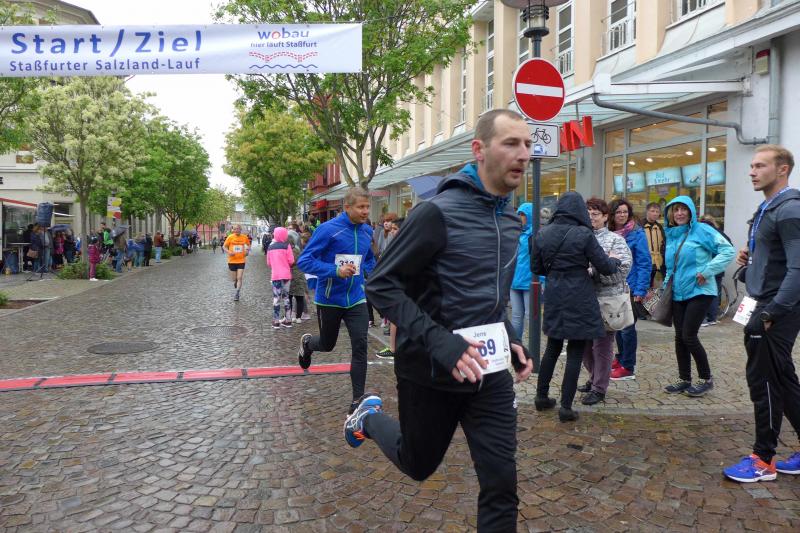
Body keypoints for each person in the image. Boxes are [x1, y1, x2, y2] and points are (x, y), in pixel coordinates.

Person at [352, 110, 534, 530]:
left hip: (487, 371)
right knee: (418, 464)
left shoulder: (509, 219)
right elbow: (381, 285)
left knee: (501, 482)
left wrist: (510, 338)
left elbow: (490, 297)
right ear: (479, 149)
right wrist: (442, 342)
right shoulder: (436, 212)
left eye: (527, 144)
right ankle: (367, 417)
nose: (523, 154)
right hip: (430, 370)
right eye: (510, 143)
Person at [723, 145, 800, 482]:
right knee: (782, 378)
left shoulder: (789, 209)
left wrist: (773, 312)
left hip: (774, 308)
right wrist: (751, 256)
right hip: (763, 302)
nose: (752, 171)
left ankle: (763, 459)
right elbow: (777, 257)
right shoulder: (768, 207)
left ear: (782, 169)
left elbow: (798, 268)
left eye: (760, 166)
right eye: (752, 165)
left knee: (764, 381)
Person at [533, 192, 622, 421]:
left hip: (554, 294)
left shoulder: (542, 233)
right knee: (574, 351)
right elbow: (605, 267)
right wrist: (614, 259)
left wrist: (556, 271)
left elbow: (537, 268)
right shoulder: (584, 234)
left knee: (552, 347)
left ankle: (541, 397)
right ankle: (566, 407)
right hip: (579, 295)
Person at [296, 187, 376, 413]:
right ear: (347, 207)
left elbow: (369, 260)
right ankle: (308, 344)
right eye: (360, 207)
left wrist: (371, 275)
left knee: (360, 345)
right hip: (330, 299)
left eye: (367, 207)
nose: (365, 211)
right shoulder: (327, 230)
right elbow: (304, 261)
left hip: (356, 299)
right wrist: (335, 271)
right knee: (327, 344)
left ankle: (357, 401)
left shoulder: (367, 231)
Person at [662, 196, 734, 397]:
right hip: (678, 292)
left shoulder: (702, 230)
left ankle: (706, 378)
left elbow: (728, 251)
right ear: (670, 213)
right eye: (676, 209)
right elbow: (671, 267)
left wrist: (708, 271)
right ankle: (684, 379)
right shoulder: (672, 234)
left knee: (689, 336)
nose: (679, 213)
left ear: (691, 211)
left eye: (683, 209)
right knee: (679, 337)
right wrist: (665, 288)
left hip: (700, 291)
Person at [578, 198, 632, 405]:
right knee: (583, 344)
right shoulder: (580, 237)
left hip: (608, 300)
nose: (591, 218)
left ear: (605, 217)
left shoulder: (615, 240)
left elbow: (623, 270)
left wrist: (594, 273)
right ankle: (594, 377)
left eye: (595, 214)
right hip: (584, 299)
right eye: (588, 214)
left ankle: (599, 387)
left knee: (602, 345)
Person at [607, 199, 651, 381]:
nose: (622, 215)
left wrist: (640, 290)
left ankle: (628, 366)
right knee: (618, 326)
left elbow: (644, 263)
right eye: (618, 212)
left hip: (630, 287)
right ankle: (620, 358)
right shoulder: (609, 233)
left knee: (627, 328)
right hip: (614, 286)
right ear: (612, 215)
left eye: (625, 212)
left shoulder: (637, 233)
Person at [698, 214, 732, 326]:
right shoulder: (721, 233)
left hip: (706, 267)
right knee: (714, 293)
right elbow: (730, 247)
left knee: (703, 293)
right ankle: (712, 317)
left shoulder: (703, 232)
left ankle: (703, 318)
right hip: (718, 268)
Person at [510, 202, 534, 339]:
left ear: (530, 216)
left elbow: (541, 259)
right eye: (518, 214)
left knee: (531, 316)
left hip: (530, 282)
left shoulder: (536, 234)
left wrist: (542, 280)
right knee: (516, 316)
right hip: (514, 282)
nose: (519, 217)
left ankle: (533, 346)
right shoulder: (515, 233)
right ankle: (516, 345)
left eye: (523, 214)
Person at [266, 227, 295, 328]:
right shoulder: (287, 246)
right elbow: (291, 261)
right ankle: (288, 320)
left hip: (276, 276)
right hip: (286, 275)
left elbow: (268, 263)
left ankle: (276, 321)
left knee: (276, 298)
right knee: (286, 297)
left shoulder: (270, 247)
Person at [222, 224, 250, 302]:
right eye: (235, 229)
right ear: (233, 230)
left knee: (239, 277)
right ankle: (236, 282)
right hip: (232, 261)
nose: (236, 230)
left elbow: (248, 245)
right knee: (234, 279)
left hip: (241, 260)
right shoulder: (230, 237)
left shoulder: (244, 237)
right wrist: (229, 252)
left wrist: (247, 251)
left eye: (238, 229)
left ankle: (237, 293)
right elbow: (224, 247)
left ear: (240, 229)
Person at [287, 230, 308, 324]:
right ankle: (295, 317)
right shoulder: (296, 249)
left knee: (294, 297)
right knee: (295, 297)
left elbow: (292, 262)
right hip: (297, 275)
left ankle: (297, 316)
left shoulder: (293, 250)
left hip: (294, 275)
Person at [643, 202, 666, 287]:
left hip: (658, 262)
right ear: (647, 212)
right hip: (644, 261)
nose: (655, 213)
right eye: (652, 211)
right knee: (644, 283)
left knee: (653, 285)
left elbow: (663, 243)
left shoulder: (659, 227)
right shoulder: (640, 225)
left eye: (657, 211)